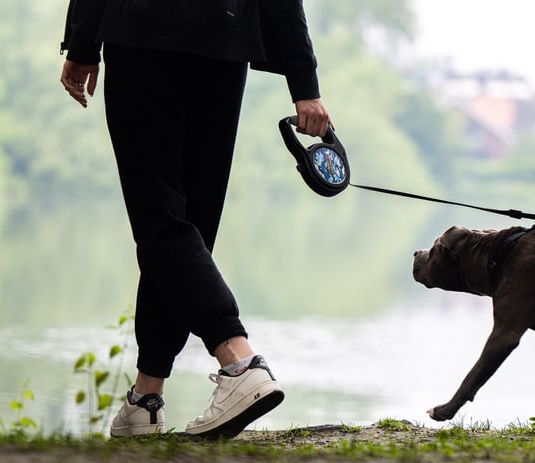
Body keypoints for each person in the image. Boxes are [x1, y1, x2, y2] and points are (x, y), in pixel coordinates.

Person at [59, 0, 332, 439]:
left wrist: (83, 41)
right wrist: (304, 83)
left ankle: (239, 360)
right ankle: (146, 397)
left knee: (160, 220)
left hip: (142, 35)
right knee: (189, 228)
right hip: (224, 45)